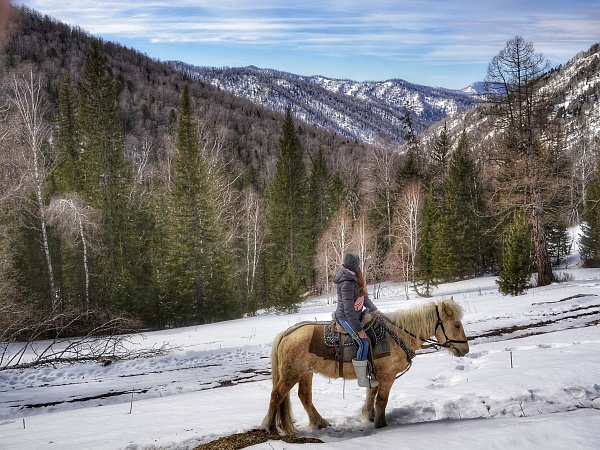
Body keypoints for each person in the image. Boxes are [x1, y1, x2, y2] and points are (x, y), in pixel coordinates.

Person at [333, 252, 380, 388]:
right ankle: (362, 379)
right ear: (354, 266)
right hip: (345, 317)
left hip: (356, 315)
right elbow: (348, 310)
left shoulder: (354, 277)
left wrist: (374, 309)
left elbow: (363, 297)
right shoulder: (346, 282)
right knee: (363, 343)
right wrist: (358, 330)